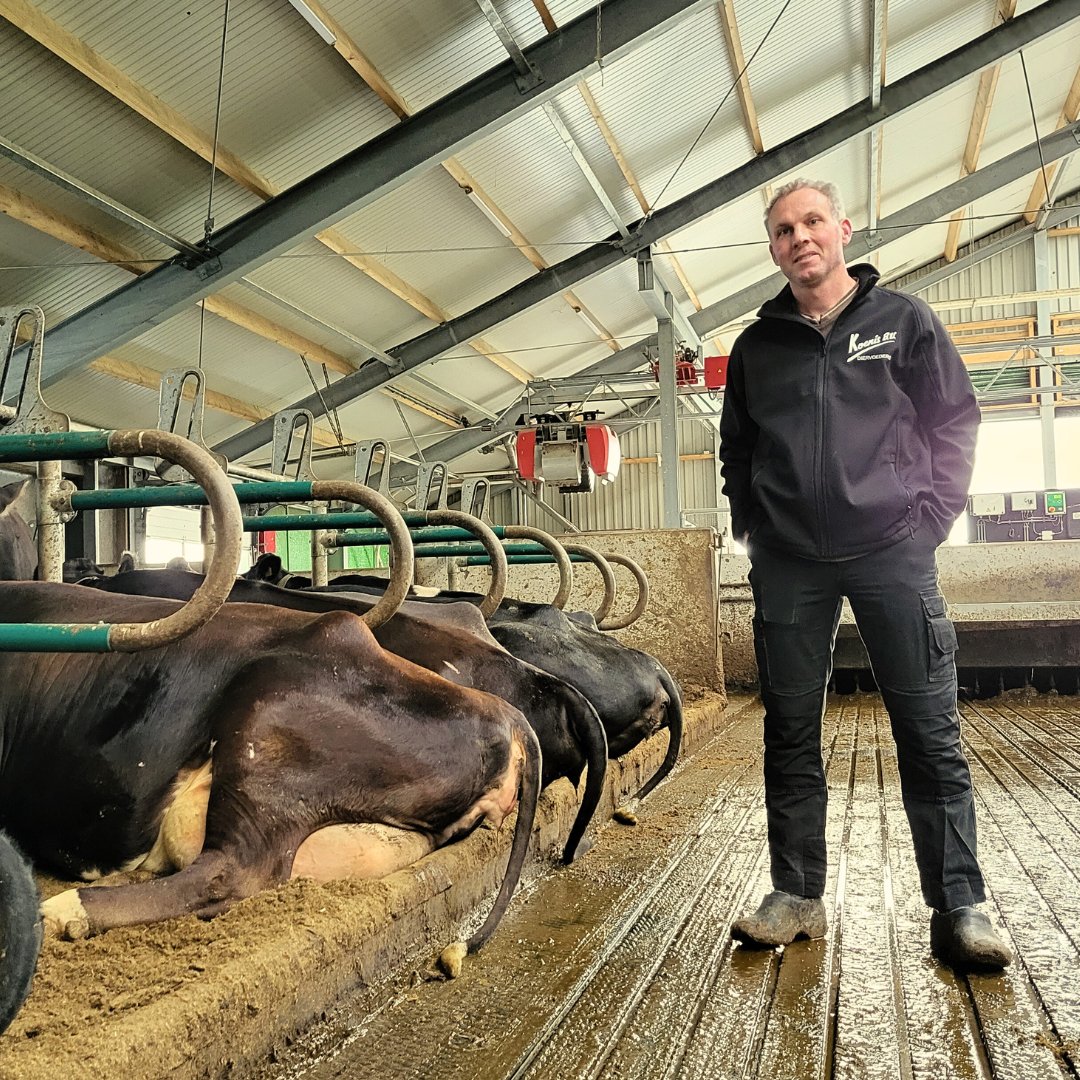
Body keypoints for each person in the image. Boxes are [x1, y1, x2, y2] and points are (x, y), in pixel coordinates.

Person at [717, 178, 1010, 971]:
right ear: (773, 248)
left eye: (812, 221)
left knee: (928, 727)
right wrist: (756, 531)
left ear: (843, 228)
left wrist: (929, 523)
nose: (799, 237)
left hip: (892, 551)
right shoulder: (755, 348)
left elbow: (954, 420)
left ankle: (959, 905)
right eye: (783, 229)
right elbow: (736, 452)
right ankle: (796, 893)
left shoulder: (903, 321)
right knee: (789, 728)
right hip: (790, 565)